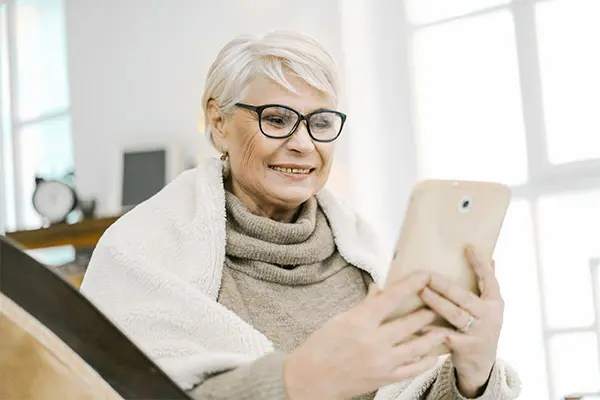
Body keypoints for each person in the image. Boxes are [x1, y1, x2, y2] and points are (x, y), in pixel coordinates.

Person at [80, 31, 521, 399]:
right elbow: (115, 389)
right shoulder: (140, 250)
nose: (303, 144)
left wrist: (473, 375)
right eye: (276, 118)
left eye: (322, 122)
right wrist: (296, 382)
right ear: (218, 121)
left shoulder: (361, 252)